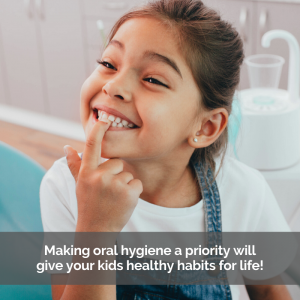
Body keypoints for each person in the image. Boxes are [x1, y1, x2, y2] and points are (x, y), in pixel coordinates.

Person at [40, 0, 293, 299]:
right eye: (109, 64)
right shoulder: (65, 186)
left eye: (152, 79)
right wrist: (96, 229)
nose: (113, 86)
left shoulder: (244, 192)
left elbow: (269, 291)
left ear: (206, 127)